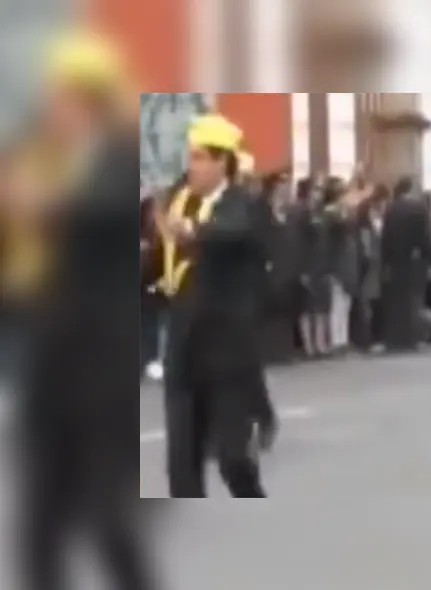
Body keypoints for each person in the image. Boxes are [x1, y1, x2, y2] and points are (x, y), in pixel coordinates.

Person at [8, 29, 156, 590]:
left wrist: (39, 202)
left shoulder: (118, 157)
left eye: (65, 96)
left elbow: (100, 212)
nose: (54, 107)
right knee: (37, 522)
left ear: (90, 98)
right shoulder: (47, 159)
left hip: (101, 362)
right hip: (51, 358)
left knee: (106, 517)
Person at [157, 114, 271, 497]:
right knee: (181, 468)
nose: (192, 166)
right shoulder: (179, 200)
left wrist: (191, 231)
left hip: (227, 353)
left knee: (232, 460)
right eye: (190, 157)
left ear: (223, 162)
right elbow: (160, 258)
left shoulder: (244, 204)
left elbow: (231, 232)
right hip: (183, 348)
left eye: (200, 157)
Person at [380, 176, 431, 352]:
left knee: (396, 301)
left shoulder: (391, 208)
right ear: (411, 189)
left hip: (395, 260)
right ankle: (412, 338)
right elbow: (426, 238)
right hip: (414, 260)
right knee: (414, 299)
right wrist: (430, 259)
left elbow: (385, 237)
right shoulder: (419, 209)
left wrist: (386, 260)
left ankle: (395, 338)